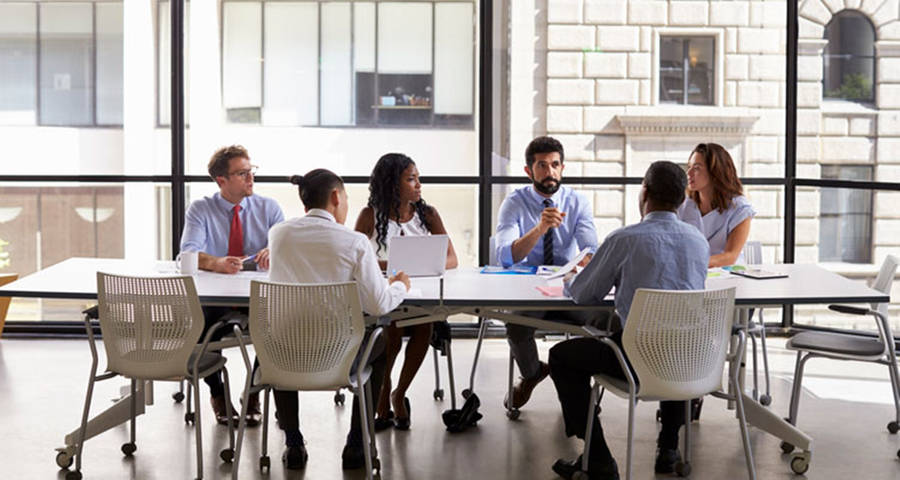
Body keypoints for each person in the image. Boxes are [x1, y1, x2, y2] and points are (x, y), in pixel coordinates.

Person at [548, 161, 709, 480]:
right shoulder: (697, 241)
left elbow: (584, 294)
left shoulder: (625, 238)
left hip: (635, 358)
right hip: (690, 359)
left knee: (560, 357)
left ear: (644, 192)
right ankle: (669, 448)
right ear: (681, 200)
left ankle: (597, 457)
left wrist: (571, 279)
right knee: (673, 337)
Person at [267, 169, 411, 470]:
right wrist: (400, 285)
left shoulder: (278, 233)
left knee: (277, 343)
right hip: (340, 357)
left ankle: (293, 442)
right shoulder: (355, 242)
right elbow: (379, 304)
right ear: (335, 197)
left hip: (286, 356)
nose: (346, 204)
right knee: (382, 343)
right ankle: (357, 443)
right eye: (345, 198)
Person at [180, 145, 284, 427]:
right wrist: (216, 263)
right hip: (217, 296)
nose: (250, 178)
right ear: (221, 181)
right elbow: (187, 253)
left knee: (275, 328)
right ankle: (218, 394)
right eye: (242, 173)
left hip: (257, 295)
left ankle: (253, 391)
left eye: (251, 171)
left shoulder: (269, 208)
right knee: (201, 329)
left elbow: (288, 249)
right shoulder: (201, 209)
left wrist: (275, 252)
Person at [354, 153, 458, 432]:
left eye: (418, 178)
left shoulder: (428, 214)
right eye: (411, 179)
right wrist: (391, 266)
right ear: (391, 184)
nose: (419, 185)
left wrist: (421, 265)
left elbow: (451, 258)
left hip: (420, 295)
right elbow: (354, 259)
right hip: (382, 296)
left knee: (423, 325)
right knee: (393, 329)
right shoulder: (368, 216)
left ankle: (398, 394)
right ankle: (383, 394)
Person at [493, 136, 599, 410]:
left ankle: (581, 392)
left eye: (555, 165)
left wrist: (582, 263)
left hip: (567, 289)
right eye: (542, 165)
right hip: (529, 289)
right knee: (516, 327)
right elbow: (505, 257)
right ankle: (531, 374)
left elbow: (591, 250)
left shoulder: (577, 202)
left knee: (600, 321)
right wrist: (539, 229)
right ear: (529, 171)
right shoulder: (514, 203)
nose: (550, 172)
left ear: (562, 168)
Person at [678, 143, 756, 267]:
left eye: (696, 168)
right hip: (692, 273)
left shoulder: (740, 209)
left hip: (729, 276)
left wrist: (691, 263)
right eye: (689, 167)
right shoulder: (683, 206)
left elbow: (730, 256)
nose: (689, 173)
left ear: (715, 172)